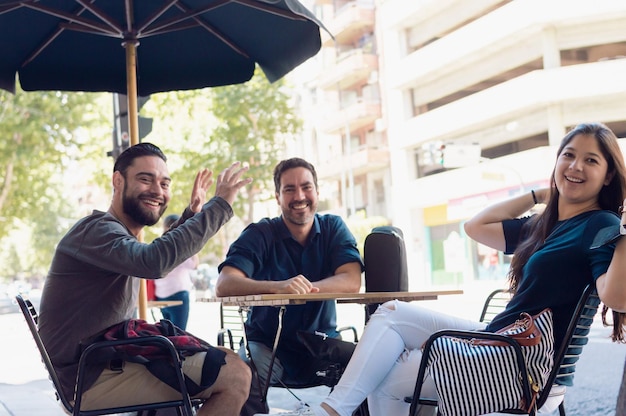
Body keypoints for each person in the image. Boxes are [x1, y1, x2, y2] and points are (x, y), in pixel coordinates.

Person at [258, 122, 626, 416]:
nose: (576, 166)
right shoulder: (542, 225)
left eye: (591, 161)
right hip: (498, 337)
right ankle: (333, 410)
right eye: (569, 156)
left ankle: (331, 411)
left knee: (386, 375)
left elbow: (615, 295)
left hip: (518, 362)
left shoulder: (600, 223)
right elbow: (475, 227)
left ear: (609, 176)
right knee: (390, 314)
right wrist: (540, 195)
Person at [37, 143, 253, 416]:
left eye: (164, 183)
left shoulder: (112, 234)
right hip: (90, 376)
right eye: (145, 179)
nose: (158, 191)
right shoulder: (96, 230)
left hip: (104, 361)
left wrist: (190, 216)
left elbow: (148, 255)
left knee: (228, 357)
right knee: (236, 376)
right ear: (118, 181)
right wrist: (219, 205)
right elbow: (153, 261)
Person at [215, 157, 364, 416]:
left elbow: (351, 280)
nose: (299, 196)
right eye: (289, 189)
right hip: (268, 346)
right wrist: (278, 287)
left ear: (317, 192)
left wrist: (303, 288)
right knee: (243, 376)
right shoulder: (260, 233)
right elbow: (224, 284)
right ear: (277, 197)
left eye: (306, 187)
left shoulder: (333, 228)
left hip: (321, 345)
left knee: (369, 370)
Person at [155, 213, 199, 329]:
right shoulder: (179, 246)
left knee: (167, 332)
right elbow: (193, 265)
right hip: (178, 294)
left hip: (161, 295)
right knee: (179, 332)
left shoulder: (158, 245)